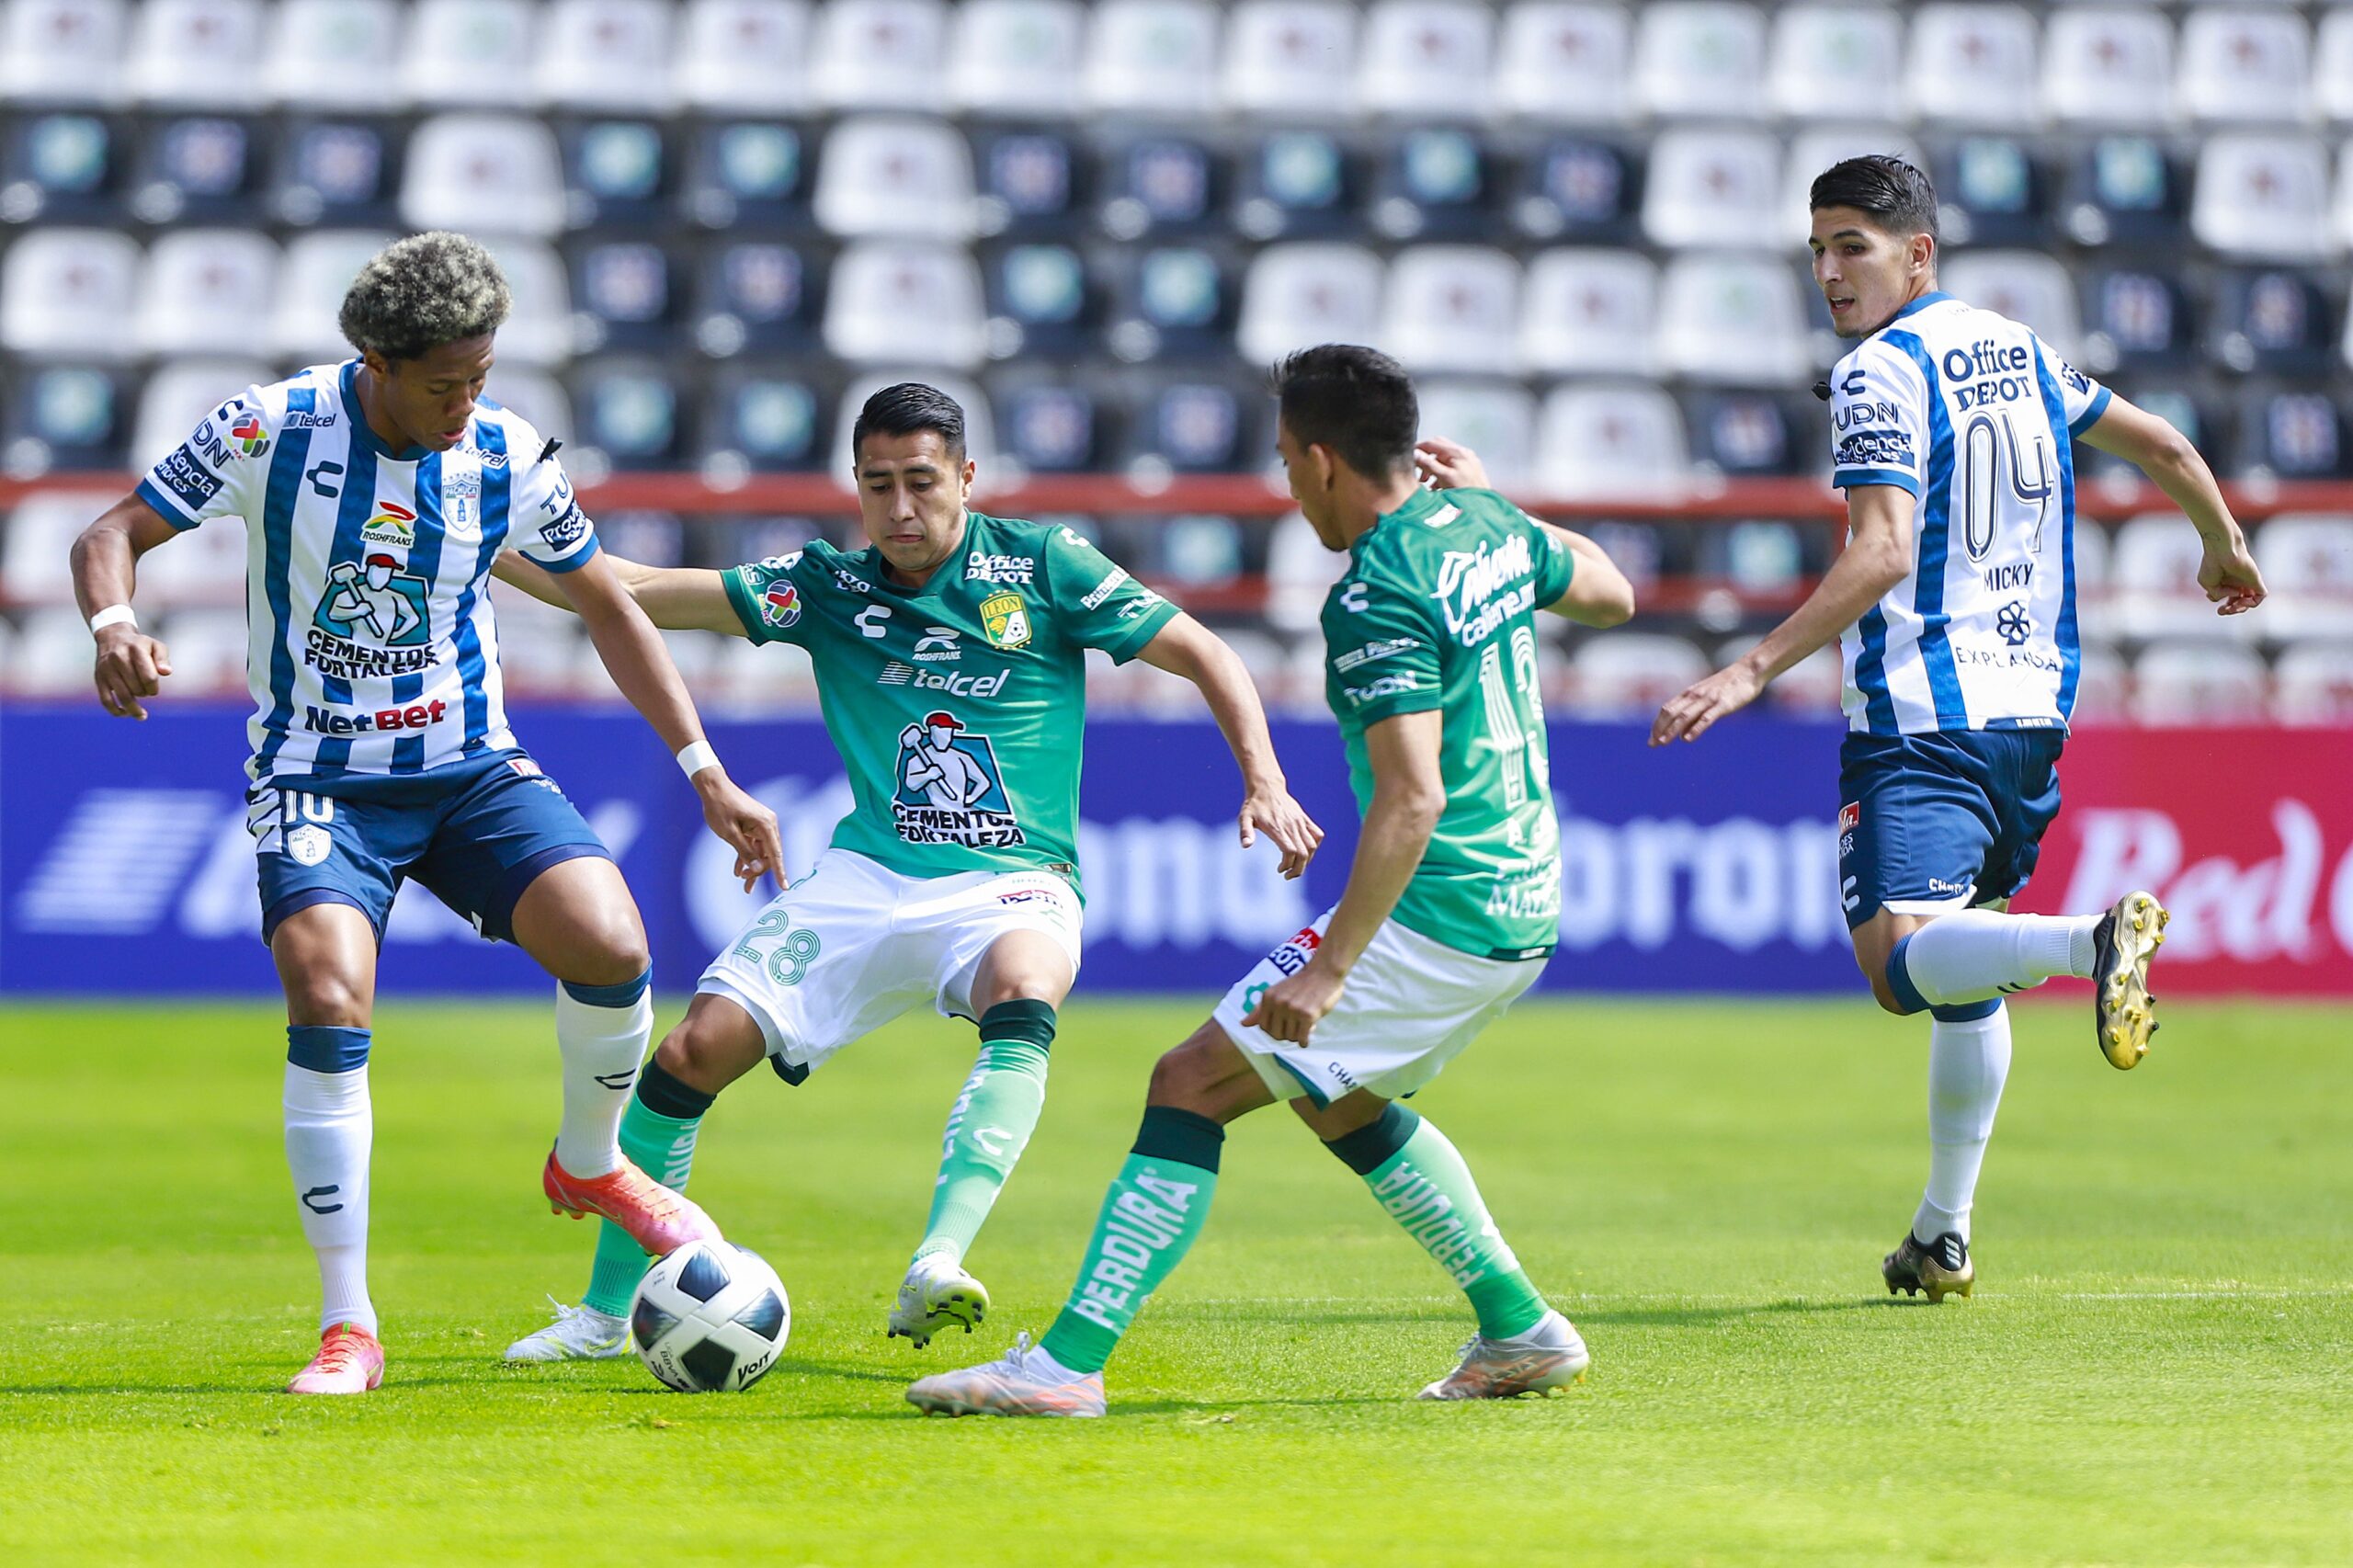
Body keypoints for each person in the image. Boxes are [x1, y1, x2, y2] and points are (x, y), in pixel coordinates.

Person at [67, 232, 783, 1395]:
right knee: (328, 989)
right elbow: (109, 535)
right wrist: (112, 627)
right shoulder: (270, 427)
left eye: (483, 377)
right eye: (447, 382)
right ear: (376, 361)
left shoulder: (504, 455)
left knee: (614, 943)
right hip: (317, 777)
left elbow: (610, 606)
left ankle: (591, 1163)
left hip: (467, 768)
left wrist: (704, 765)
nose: (469, 403)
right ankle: (348, 1322)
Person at [494, 381, 1324, 1362]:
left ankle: (939, 1256)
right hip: (865, 876)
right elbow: (626, 587)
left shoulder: (1045, 566)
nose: (899, 508)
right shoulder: (828, 587)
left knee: (1024, 990)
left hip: (1012, 879)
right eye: (876, 485)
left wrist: (1263, 778)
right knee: (688, 1054)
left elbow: (1202, 650)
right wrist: (479, 545)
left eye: (921, 482)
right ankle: (603, 1310)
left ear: (966, 477)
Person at [904, 345, 1638, 1418]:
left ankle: (1063, 1365)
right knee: (1335, 1096)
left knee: (1189, 1080)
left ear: (1329, 459)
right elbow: (1613, 594)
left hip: (1444, 906)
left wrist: (1332, 963)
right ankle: (1517, 1324)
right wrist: (1496, 507)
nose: (1288, 487)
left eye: (1291, 462)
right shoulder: (1486, 526)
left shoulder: (1376, 593)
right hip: (1525, 897)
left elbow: (1411, 799)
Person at [1652, 155, 2268, 1302]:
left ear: (1916, 253)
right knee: (1960, 971)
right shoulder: (2019, 348)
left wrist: (1747, 667)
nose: (1831, 272)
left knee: (1897, 966)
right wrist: (2221, 539)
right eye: (1819, 249)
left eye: (1854, 246)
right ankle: (1942, 1232)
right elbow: (2169, 446)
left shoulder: (1876, 370)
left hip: (1920, 713)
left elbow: (1881, 548)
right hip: (2032, 713)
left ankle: (2091, 942)